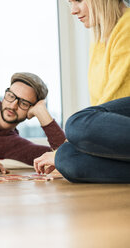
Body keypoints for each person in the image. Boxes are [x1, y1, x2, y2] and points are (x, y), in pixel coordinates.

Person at [34, 0, 130, 183]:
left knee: (76, 124)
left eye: (78, 0)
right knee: (68, 160)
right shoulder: (100, 38)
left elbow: (116, 101)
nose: (73, 10)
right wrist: (61, 153)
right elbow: (102, 116)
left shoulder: (128, 27)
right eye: (70, 3)